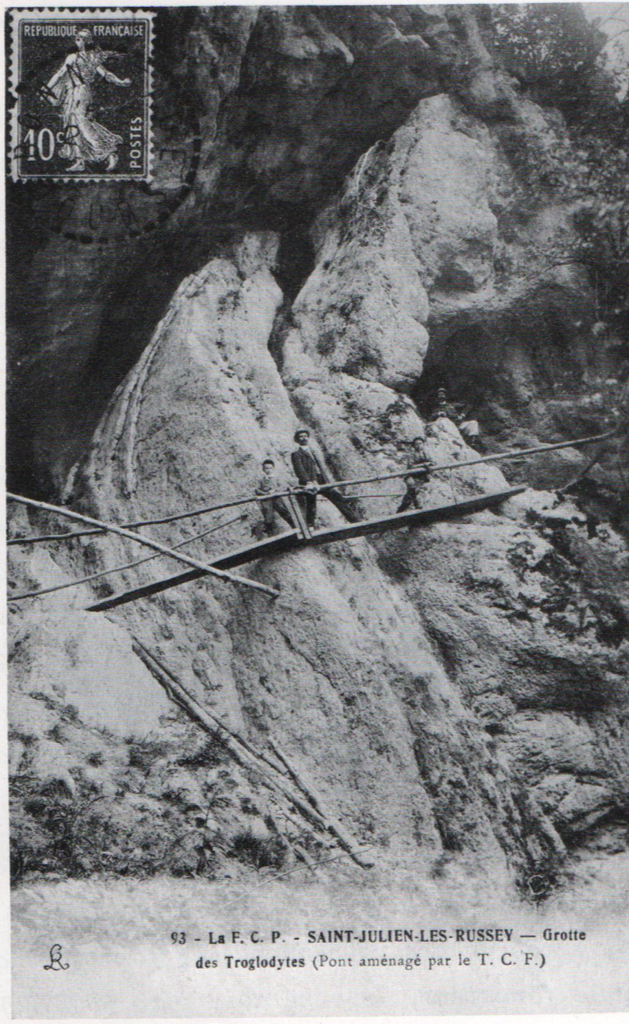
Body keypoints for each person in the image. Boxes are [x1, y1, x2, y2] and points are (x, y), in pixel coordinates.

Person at [44, 29, 131, 173]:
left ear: (87, 41)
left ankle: (108, 150)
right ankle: (80, 160)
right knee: (72, 124)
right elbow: (106, 74)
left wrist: (47, 88)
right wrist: (120, 82)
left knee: (81, 122)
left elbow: (60, 74)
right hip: (77, 92)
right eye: (77, 38)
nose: (78, 40)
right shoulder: (93, 57)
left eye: (81, 38)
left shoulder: (74, 57)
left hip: (78, 92)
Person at [290, 428, 359, 528]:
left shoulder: (313, 451)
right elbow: (299, 469)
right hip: (309, 481)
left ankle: (354, 520)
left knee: (337, 497)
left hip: (320, 479)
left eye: (305, 436)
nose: (304, 438)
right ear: (297, 439)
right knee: (311, 503)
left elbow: (321, 467)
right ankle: (310, 526)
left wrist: (327, 479)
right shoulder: (296, 454)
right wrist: (308, 482)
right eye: (301, 437)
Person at [254, 459, 294, 536]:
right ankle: (271, 535)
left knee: (285, 512)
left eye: (270, 468)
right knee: (268, 517)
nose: (268, 470)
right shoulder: (261, 480)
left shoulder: (277, 478)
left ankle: (295, 527)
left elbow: (282, 487)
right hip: (266, 500)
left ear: (273, 468)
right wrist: (266, 493)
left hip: (277, 498)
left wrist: (275, 491)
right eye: (266, 468)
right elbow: (257, 490)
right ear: (263, 469)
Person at [397, 437, 433, 513]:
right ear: (414, 446)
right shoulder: (411, 454)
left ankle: (401, 510)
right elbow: (411, 466)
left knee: (413, 493)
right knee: (412, 488)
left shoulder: (425, 453)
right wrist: (424, 464)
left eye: (420, 444)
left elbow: (432, 462)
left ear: (423, 444)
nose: (418, 445)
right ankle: (415, 505)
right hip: (411, 475)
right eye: (416, 444)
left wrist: (429, 464)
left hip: (420, 476)